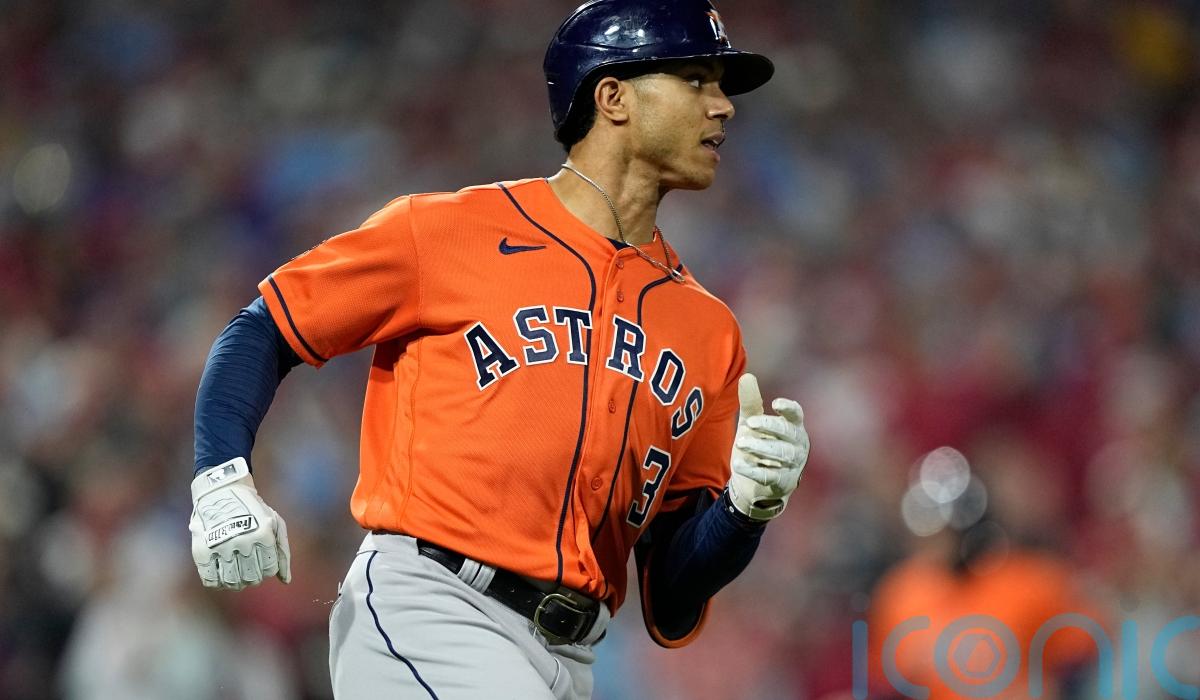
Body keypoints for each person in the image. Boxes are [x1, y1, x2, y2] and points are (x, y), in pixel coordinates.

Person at [188, 1, 809, 698]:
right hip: (431, 607)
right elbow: (265, 328)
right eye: (696, 80)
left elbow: (670, 593)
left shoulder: (710, 330)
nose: (723, 106)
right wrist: (221, 476)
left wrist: (744, 511)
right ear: (612, 98)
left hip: (572, 657)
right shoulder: (447, 231)